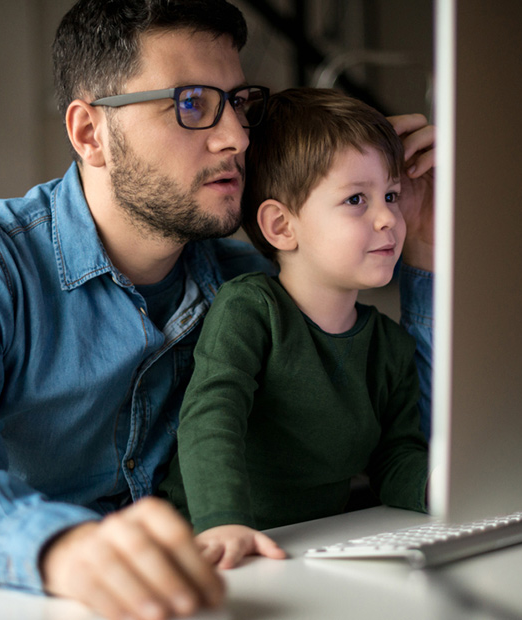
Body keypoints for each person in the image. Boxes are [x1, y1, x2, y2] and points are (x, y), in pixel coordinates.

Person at [0, 1, 436, 619]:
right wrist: (64, 548)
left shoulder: (251, 284)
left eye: (239, 103)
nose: (237, 137)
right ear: (90, 133)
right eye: (191, 104)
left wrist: (423, 249)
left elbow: (411, 435)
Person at [158, 88, 429, 569]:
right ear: (281, 226)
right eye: (356, 200)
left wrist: (445, 489)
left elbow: (395, 458)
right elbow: (211, 416)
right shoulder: (250, 309)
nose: (389, 217)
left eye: (390, 195)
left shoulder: (388, 345)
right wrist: (223, 522)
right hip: (209, 552)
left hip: (307, 553)